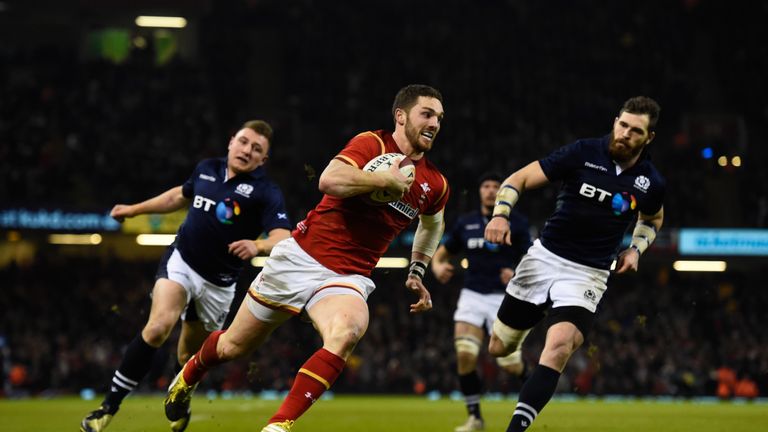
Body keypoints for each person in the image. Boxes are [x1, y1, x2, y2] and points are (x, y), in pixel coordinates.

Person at [163, 84, 450, 432]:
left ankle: (278, 426)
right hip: (299, 258)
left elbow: (433, 226)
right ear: (401, 116)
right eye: (427, 113)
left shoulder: (435, 183)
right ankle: (189, 374)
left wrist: (417, 269)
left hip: (347, 276)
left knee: (347, 331)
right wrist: (380, 179)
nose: (435, 122)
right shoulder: (372, 144)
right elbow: (329, 180)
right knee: (233, 347)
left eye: (439, 117)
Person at [80, 120, 292, 432]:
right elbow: (178, 196)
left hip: (219, 284)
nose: (247, 150)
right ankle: (106, 409)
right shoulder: (206, 168)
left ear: (263, 160)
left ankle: (181, 401)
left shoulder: (265, 192)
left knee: (187, 357)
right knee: (157, 328)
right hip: (182, 261)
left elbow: (283, 236)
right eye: (244, 142)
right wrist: (135, 209)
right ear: (231, 141)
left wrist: (257, 243)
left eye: (257, 149)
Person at [484, 96, 665, 432]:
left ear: (648, 138)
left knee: (560, 347)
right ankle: (520, 333)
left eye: (635, 131)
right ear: (615, 122)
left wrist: (636, 249)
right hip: (543, 259)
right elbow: (518, 179)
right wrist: (500, 215)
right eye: (622, 125)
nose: (625, 134)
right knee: (498, 347)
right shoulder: (583, 152)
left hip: (589, 273)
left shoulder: (651, 181)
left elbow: (653, 218)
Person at [431, 172, 532, 432]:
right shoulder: (466, 223)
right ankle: (475, 418)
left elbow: (533, 259)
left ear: (503, 192)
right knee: (465, 354)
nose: (489, 191)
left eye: (495, 187)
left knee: (509, 364)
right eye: (485, 186)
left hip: (505, 298)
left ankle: (529, 380)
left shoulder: (518, 223)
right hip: (472, 295)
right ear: (480, 191)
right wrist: (438, 267)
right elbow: (441, 254)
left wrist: (516, 272)